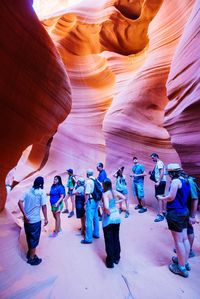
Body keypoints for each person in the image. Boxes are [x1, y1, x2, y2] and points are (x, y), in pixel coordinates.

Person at [157, 163, 191, 278]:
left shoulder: (176, 181)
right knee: (184, 238)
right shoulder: (186, 180)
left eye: (169, 172)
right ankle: (184, 262)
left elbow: (171, 197)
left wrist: (162, 198)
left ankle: (180, 268)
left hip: (175, 213)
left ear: (172, 172)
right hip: (184, 211)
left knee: (178, 241)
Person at [18, 176, 48, 266]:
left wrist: (25, 215)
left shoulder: (27, 191)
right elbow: (44, 206)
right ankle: (31, 258)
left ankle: (30, 253)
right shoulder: (42, 193)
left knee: (29, 237)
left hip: (27, 220)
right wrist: (46, 218)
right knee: (34, 239)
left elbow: (19, 202)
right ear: (42, 184)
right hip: (35, 220)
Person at [102, 178, 125, 268]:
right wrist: (116, 202)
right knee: (116, 238)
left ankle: (110, 262)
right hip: (117, 218)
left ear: (105, 185)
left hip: (109, 219)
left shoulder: (105, 194)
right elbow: (124, 197)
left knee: (109, 240)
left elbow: (107, 207)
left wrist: (107, 212)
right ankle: (117, 258)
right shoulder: (114, 192)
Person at [81, 169, 100, 244]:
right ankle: (96, 233)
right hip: (96, 201)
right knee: (96, 218)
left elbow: (87, 193)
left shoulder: (88, 181)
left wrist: (85, 203)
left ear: (87, 174)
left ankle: (88, 239)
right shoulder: (96, 180)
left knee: (89, 220)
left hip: (90, 201)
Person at [150, 153, 166, 222]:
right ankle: (164, 211)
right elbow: (159, 173)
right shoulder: (159, 163)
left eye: (153, 158)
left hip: (160, 181)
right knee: (162, 196)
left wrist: (158, 181)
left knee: (159, 197)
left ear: (156, 157)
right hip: (162, 181)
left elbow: (161, 172)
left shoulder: (159, 163)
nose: (152, 159)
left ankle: (160, 215)